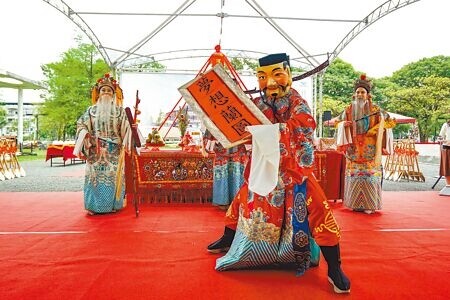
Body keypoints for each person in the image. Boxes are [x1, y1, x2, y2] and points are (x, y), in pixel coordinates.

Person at [207, 53, 350, 294]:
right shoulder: (259, 105)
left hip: (293, 169)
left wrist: (264, 132)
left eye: (277, 75)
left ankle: (334, 268)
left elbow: (303, 126)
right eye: (262, 77)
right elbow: (241, 126)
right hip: (263, 166)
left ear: (289, 75)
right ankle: (228, 238)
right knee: (243, 199)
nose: (270, 83)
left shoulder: (298, 102)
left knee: (317, 208)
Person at [73, 73, 131, 215]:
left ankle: (113, 205)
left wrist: (131, 129)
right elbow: (81, 125)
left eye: (109, 90)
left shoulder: (120, 111)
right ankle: (93, 207)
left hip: (114, 151)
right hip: (95, 150)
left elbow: (126, 129)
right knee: (94, 179)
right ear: (98, 94)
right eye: (103, 90)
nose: (106, 92)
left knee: (112, 178)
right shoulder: (91, 111)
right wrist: (84, 133)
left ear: (113, 94)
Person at [335, 74, 386, 214]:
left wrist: (373, 130)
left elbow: (387, 122)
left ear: (368, 95)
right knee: (355, 175)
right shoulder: (348, 110)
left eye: (362, 92)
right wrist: (343, 124)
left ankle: (370, 205)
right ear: (354, 94)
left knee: (370, 176)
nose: (360, 94)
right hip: (354, 149)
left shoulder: (375, 110)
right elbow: (336, 122)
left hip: (370, 149)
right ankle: (355, 203)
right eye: (358, 92)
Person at [202, 130, 248, 210]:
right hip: (232, 148)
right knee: (234, 175)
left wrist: (205, 147)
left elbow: (208, 134)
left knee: (228, 175)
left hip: (227, 148)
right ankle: (236, 201)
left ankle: (226, 201)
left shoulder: (216, 118)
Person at [438, 119, 450, 195]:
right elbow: (440, 137)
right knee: (447, 167)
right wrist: (444, 140)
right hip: (447, 148)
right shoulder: (446, 125)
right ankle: (448, 185)